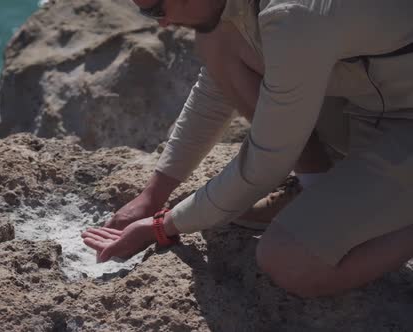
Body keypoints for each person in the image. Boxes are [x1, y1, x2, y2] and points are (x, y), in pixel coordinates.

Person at [81, 0, 413, 298]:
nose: (162, 24)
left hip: (401, 121)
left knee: (289, 259)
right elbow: (217, 86)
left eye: (157, 9)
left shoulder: (292, 17)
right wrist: (154, 194)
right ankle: (316, 185)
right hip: (371, 101)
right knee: (218, 44)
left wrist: (162, 226)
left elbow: (267, 162)